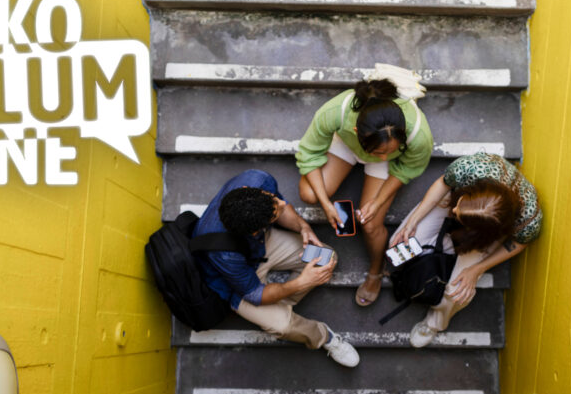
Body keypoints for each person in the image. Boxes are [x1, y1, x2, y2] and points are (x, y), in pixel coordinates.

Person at [192, 169, 360, 367]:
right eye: (275, 213)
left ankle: (281, 301)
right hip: (235, 281)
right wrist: (301, 283)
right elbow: (253, 293)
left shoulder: (256, 179)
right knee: (283, 326)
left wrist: (303, 227)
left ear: (248, 189)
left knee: (327, 258)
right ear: (255, 230)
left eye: (272, 198)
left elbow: (282, 207)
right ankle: (325, 337)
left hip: (261, 245)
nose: (281, 203)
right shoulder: (223, 253)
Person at [296, 76, 434, 307]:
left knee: (370, 225)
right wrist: (326, 203)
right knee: (309, 194)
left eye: (390, 150)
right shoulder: (335, 112)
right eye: (379, 152)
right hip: (347, 144)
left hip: (385, 155)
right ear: (356, 129)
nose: (382, 157)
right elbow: (308, 154)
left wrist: (378, 201)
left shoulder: (418, 135)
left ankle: (376, 272)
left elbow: (406, 169)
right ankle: (366, 151)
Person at [389, 152, 542, 347]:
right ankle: (447, 246)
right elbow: (443, 184)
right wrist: (412, 222)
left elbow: (519, 243)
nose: (453, 212)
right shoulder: (473, 167)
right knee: (399, 243)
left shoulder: (528, 221)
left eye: (458, 215)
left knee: (456, 291)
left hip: (485, 237)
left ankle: (435, 323)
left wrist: (477, 269)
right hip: (458, 197)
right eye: (458, 209)